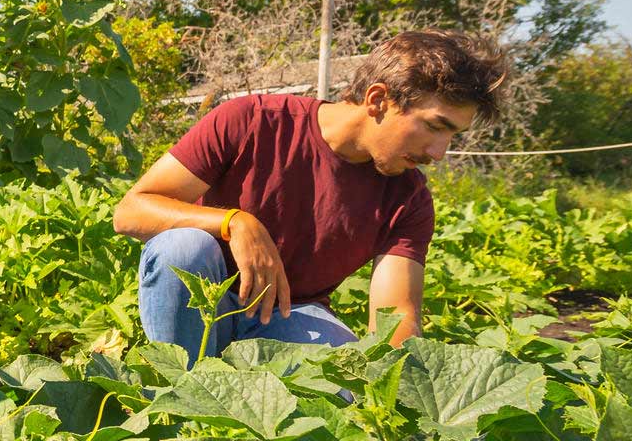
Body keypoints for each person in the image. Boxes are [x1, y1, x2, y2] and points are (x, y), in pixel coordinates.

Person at [112, 30, 509, 365]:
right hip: (203, 302)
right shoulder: (251, 120)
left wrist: (403, 399)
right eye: (435, 127)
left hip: (289, 315)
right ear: (377, 100)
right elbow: (131, 211)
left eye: (452, 136)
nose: (439, 152)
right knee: (182, 247)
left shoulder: (409, 198)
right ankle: (175, 400)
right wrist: (234, 222)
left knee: (345, 383)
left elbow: (396, 316)